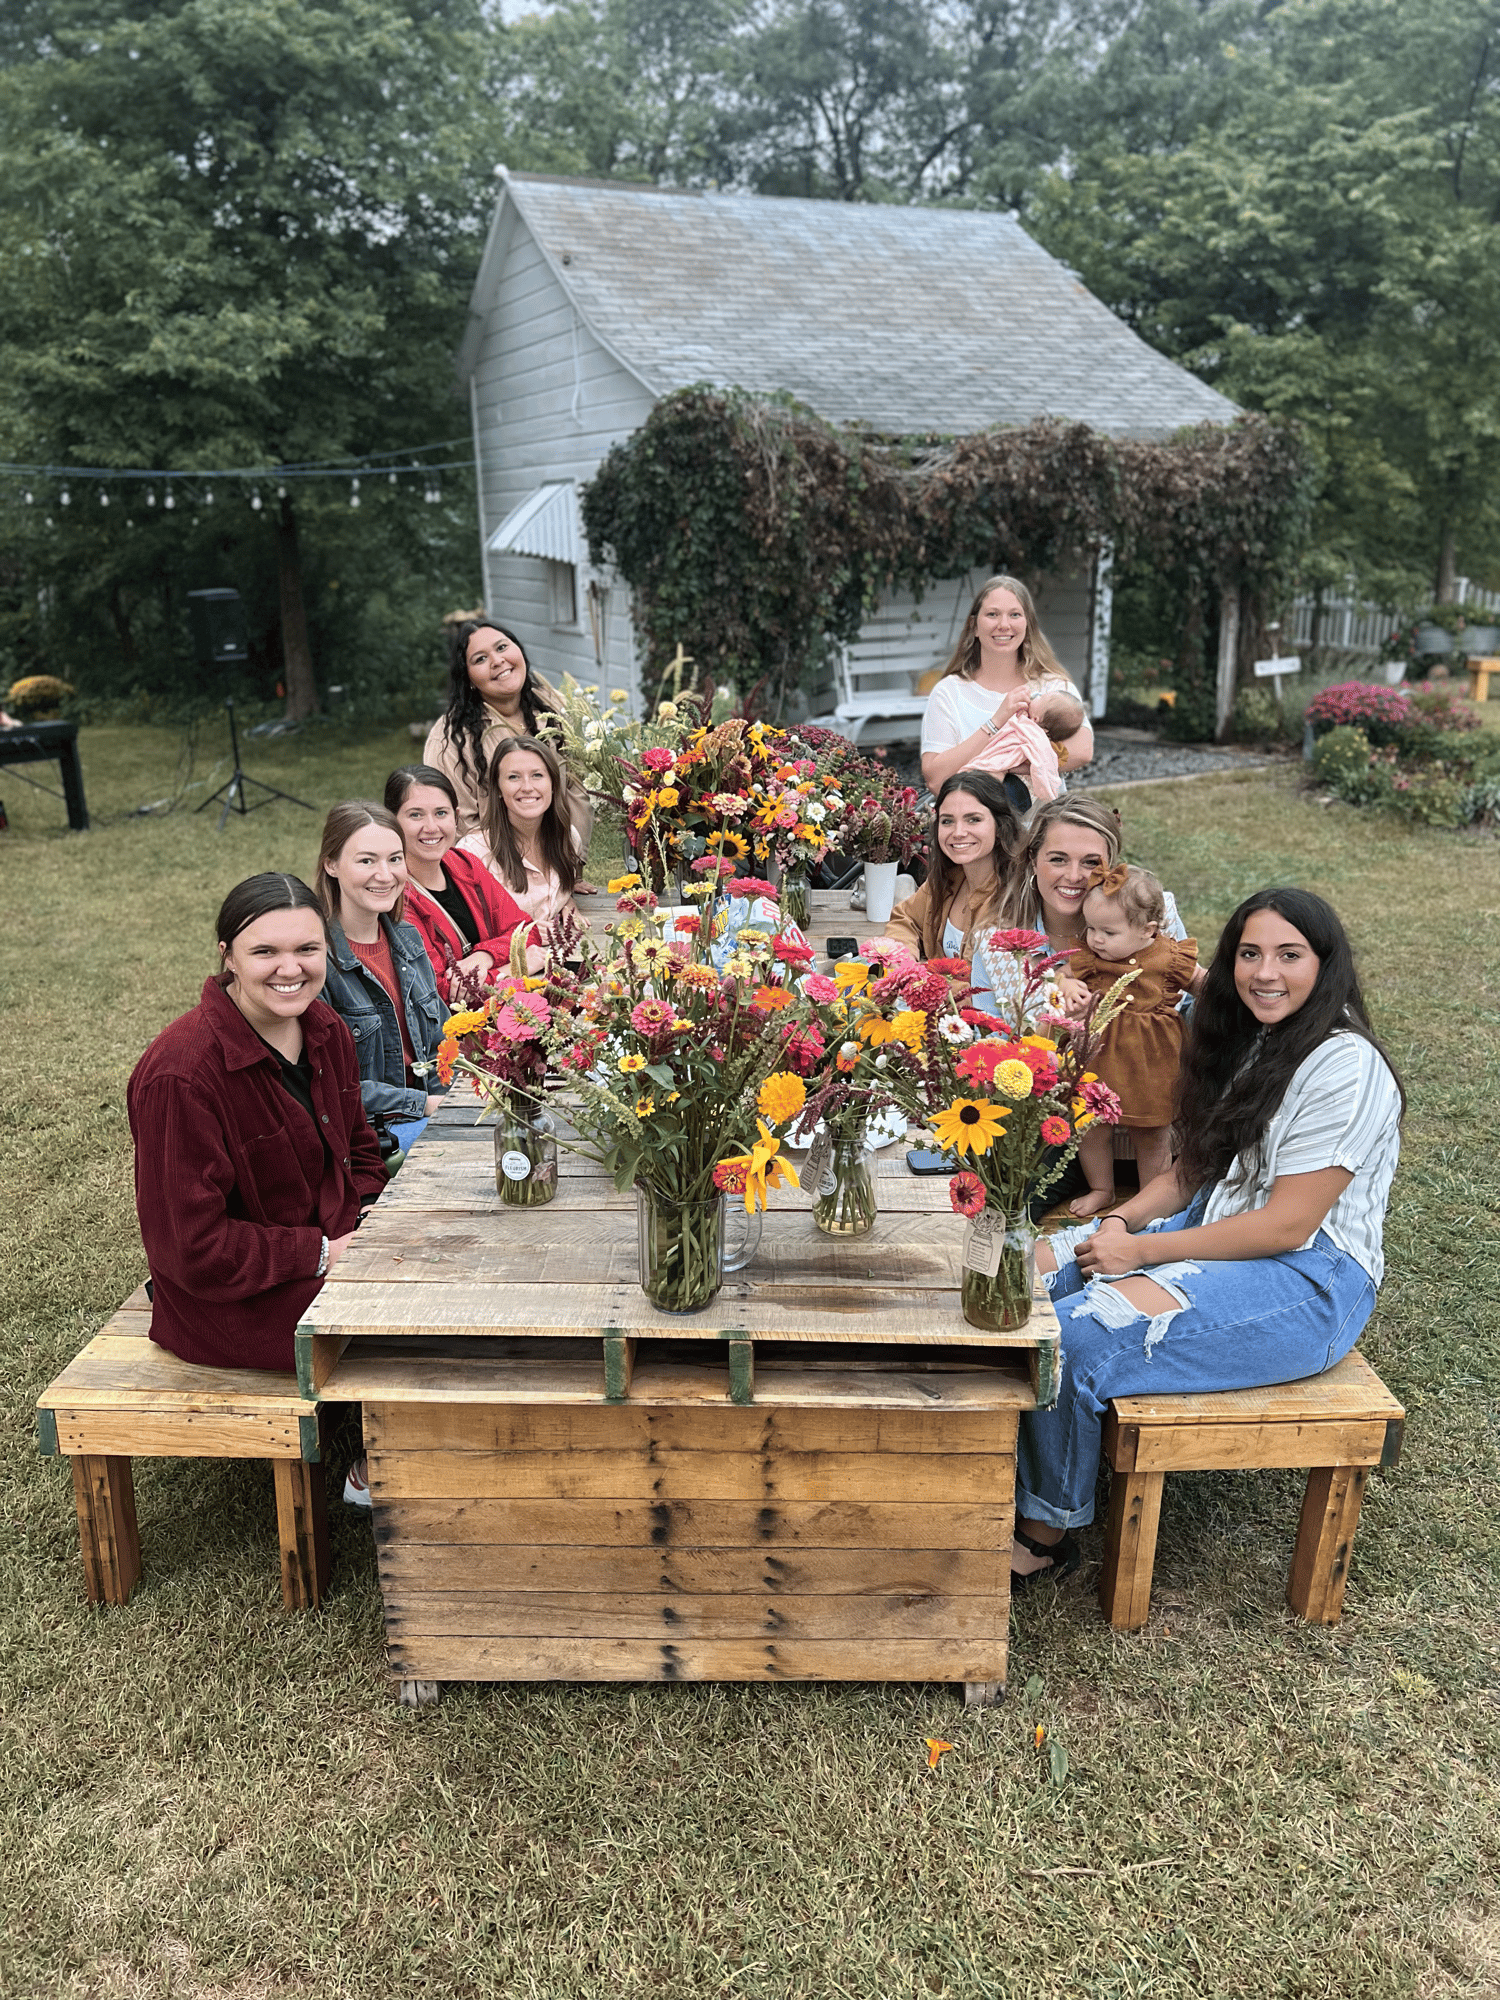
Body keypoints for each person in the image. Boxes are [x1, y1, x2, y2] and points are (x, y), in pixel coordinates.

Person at [1011, 888, 1405, 1587]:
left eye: (1290, 955)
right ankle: (981, 1471)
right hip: (1212, 1230)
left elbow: (1289, 1224)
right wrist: (1118, 1222)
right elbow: (1193, 1167)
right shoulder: (1255, 1037)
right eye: (1250, 954)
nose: (1264, 972)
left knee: (1077, 1331)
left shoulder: (1345, 1065)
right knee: (1023, 1274)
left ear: (1327, 964)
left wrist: (1143, 1252)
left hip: (1309, 1281)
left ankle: (1045, 1529)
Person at [126, 874, 387, 1374]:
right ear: (228, 956)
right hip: (237, 1308)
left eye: (307, 948)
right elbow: (191, 1249)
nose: (290, 969)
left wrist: (371, 1218)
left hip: (338, 1250)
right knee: (433, 1324)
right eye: (265, 951)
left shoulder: (327, 1030)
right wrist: (322, 1254)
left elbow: (359, 1148)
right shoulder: (181, 1075)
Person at [1058, 863, 1205, 1217]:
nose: (1096, 939)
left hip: (1151, 1063)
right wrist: (1065, 985)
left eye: (1108, 931)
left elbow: (1203, 983)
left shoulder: (1169, 957)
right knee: (1091, 1128)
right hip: (1097, 1058)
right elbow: (1061, 973)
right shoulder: (1089, 957)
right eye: (1091, 928)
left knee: (1152, 1134)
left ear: (1147, 930)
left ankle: (1150, 1199)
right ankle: (1101, 1188)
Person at [316, 801, 446, 1158]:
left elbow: (443, 1042)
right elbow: (332, 1086)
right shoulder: (315, 962)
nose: (385, 875)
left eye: (394, 859)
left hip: (431, 1112)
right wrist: (426, 1104)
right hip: (372, 1134)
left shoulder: (408, 939)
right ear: (331, 864)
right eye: (366, 861)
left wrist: (455, 1099)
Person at [422, 615, 593, 846]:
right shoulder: (450, 738)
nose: (497, 660)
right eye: (480, 659)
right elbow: (459, 822)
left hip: (563, 860)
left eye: (502, 647)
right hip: (493, 867)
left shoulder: (553, 704)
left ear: (519, 651)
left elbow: (577, 791)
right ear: (468, 678)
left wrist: (569, 864)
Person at [920, 575, 1093, 800]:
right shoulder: (948, 693)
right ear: (974, 626)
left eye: (1015, 614)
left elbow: (1081, 752)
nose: (1004, 624)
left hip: (1043, 830)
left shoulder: (1054, 686)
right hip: (974, 830)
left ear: (1027, 624)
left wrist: (1003, 764)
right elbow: (936, 779)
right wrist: (995, 722)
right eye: (992, 614)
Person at [384, 764, 530, 1002]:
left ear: (456, 817)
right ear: (391, 821)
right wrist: (516, 967)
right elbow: (440, 990)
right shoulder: (393, 892)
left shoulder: (465, 864)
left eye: (441, 813)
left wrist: (484, 957)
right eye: (415, 815)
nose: (431, 827)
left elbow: (525, 929)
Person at [455, 735, 585, 956]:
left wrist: (566, 900)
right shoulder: (473, 853)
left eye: (537, 775)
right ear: (497, 788)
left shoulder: (569, 839)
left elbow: (547, 892)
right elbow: (463, 934)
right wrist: (523, 934)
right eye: (514, 777)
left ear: (552, 784)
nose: (527, 787)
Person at [878, 771, 1024, 963]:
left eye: (973, 819)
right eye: (947, 821)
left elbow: (984, 983)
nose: (958, 832)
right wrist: (903, 959)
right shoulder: (949, 877)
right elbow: (905, 918)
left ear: (1000, 826)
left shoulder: (1015, 897)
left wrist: (922, 981)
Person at [958, 687, 1086, 808]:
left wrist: (1008, 767)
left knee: (984, 788)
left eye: (1041, 699)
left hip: (1001, 774)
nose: (1036, 696)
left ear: (1036, 719)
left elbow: (1039, 765)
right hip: (992, 766)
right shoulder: (1023, 718)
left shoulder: (1037, 738)